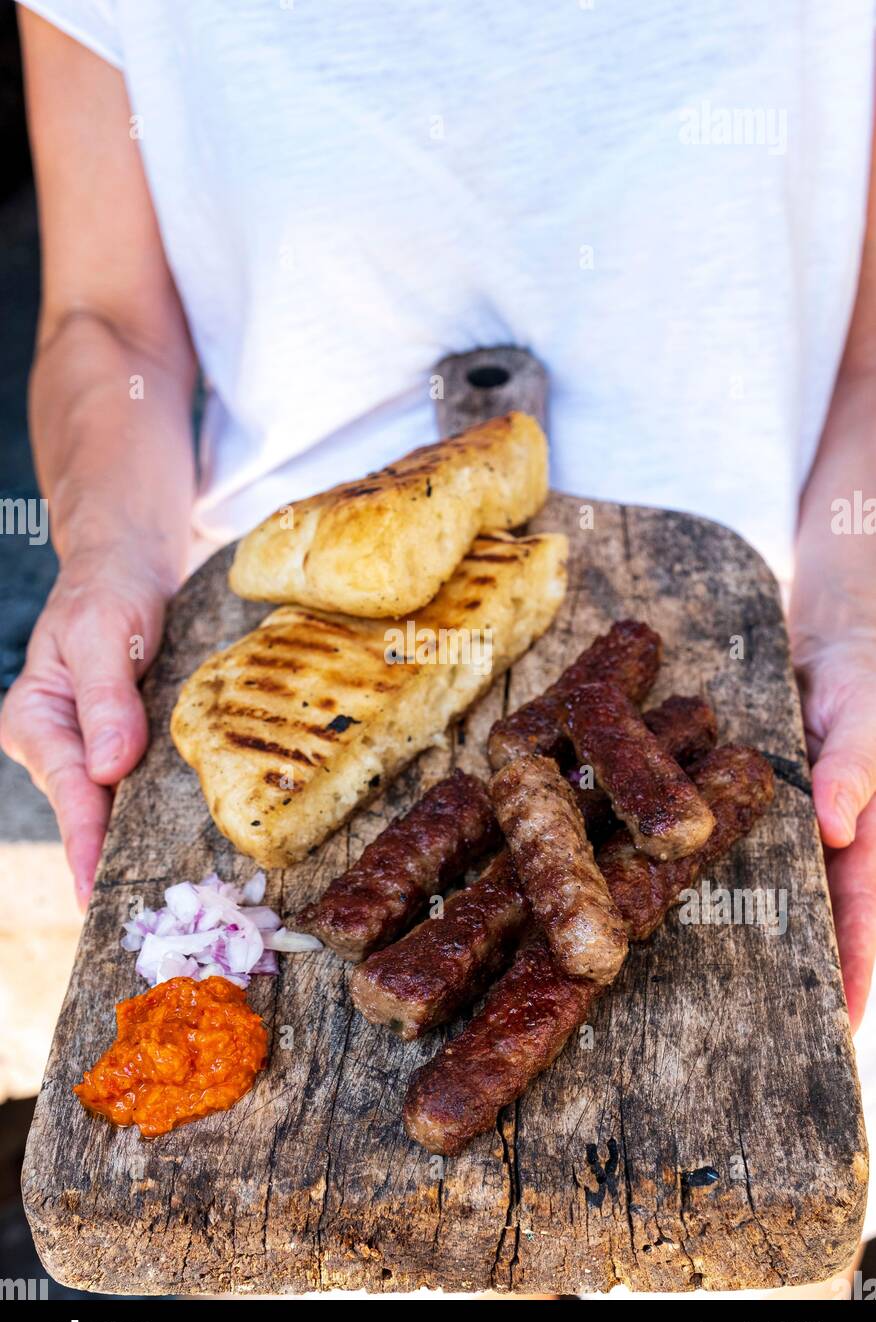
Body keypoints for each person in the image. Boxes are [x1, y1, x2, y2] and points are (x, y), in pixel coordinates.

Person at [2, 1, 876, 1039]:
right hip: (264, 658)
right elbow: (109, 327)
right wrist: (103, 559)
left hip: (782, 651)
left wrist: (854, 616)